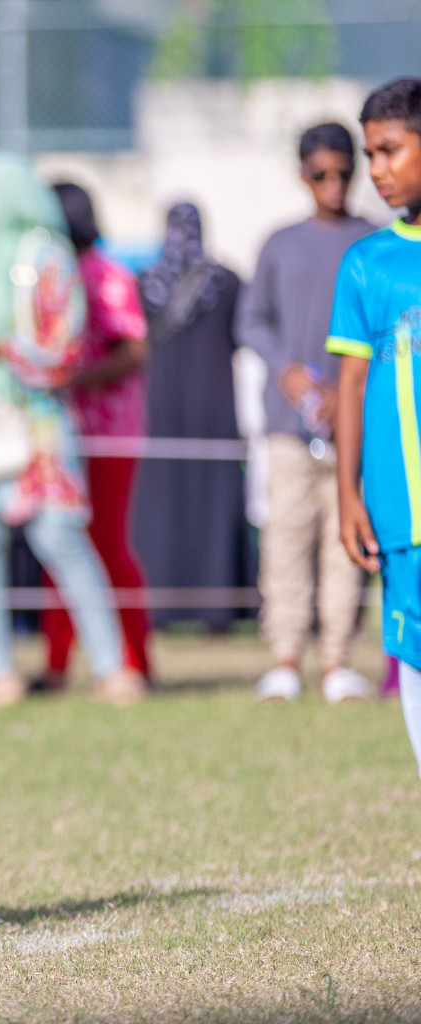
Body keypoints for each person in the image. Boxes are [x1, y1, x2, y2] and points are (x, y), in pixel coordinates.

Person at [0, 152, 142, 708]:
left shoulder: (48, 258)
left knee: (62, 540)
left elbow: (62, 352)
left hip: (35, 428)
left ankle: (111, 669)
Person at [239, 124, 378, 704]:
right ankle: (286, 658)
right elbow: (250, 320)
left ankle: (337, 661)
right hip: (287, 425)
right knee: (286, 541)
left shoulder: (374, 240)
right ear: (303, 174)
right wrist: (286, 369)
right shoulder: (280, 243)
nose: (334, 185)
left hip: (357, 424)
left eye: (345, 173)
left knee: (346, 544)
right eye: (322, 173)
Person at [333, 77, 421, 775]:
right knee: (414, 657)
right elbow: (352, 384)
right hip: (400, 515)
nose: (377, 170)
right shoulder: (367, 264)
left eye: (391, 149)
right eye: (371, 155)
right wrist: (347, 494)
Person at [37, 182, 152, 690]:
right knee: (57, 543)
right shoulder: (47, 276)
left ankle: (136, 663)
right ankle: (56, 663)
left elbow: (133, 351)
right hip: (58, 433)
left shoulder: (107, 275)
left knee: (107, 545)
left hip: (108, 435)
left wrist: (74, 379)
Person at [132, 203, 253, 632]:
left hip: (164, 410)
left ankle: (176, 610)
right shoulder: (225, 281)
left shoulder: (147, 283)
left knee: (170, 504)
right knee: (192, 502)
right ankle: (203, 611)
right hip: (207, 409)